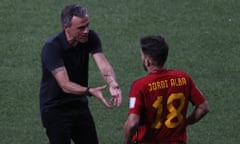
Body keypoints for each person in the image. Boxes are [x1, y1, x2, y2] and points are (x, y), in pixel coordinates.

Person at [39, 4, 122, 144]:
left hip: (78, 105)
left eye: (87, 25)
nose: (86, 31)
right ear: (66, 28)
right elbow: (64, 84)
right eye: (81, 28)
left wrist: (112, 82)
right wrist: (89, 91)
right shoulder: (52, 48)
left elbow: (102, 63)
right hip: (55, 109)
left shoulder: (90, 37)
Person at [124, 35, 209, 144]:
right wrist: (186, 122)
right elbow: (204, 107)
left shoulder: (140, 86)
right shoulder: (183, 78)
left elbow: (132, 123)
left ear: (147, 61)